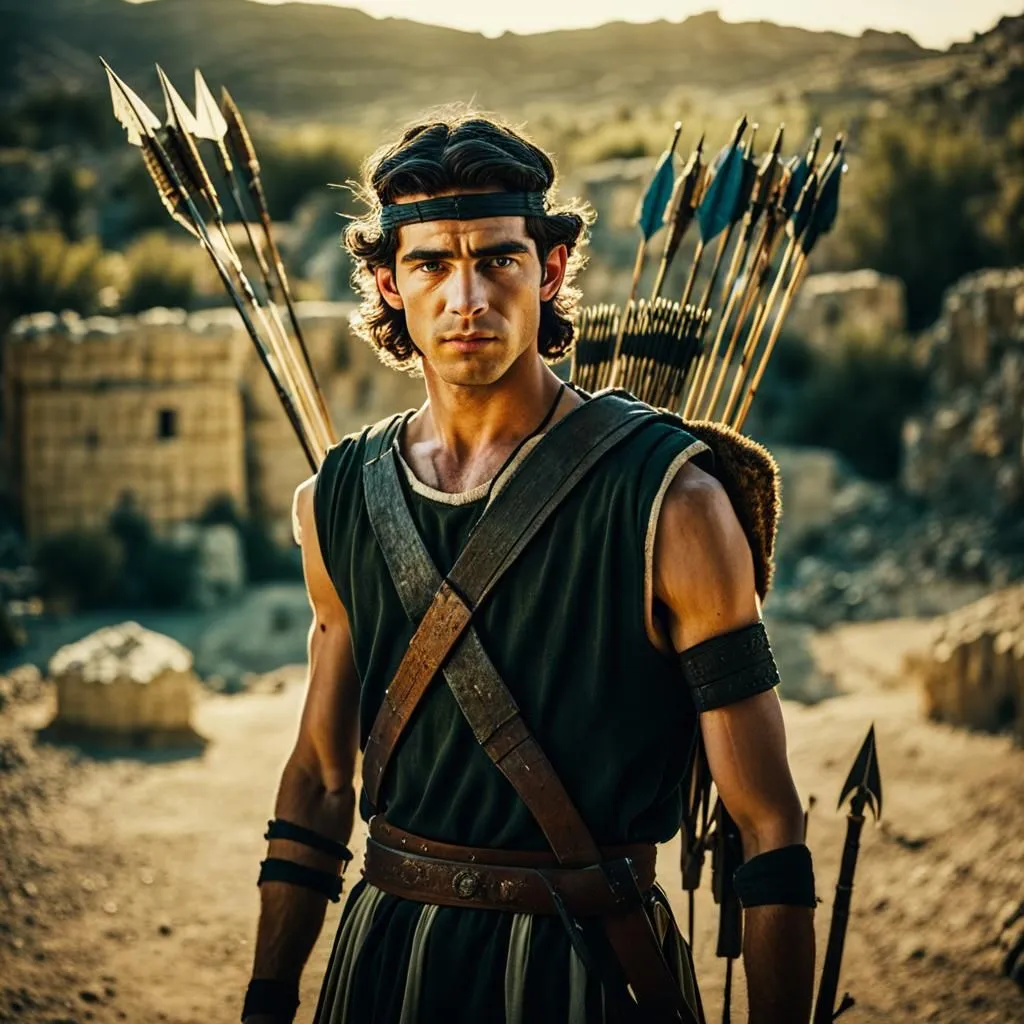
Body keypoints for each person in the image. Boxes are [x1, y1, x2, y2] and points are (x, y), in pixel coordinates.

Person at [241, 113, 815, 1024]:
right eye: (431, 264)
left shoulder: (674, 503)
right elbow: (317, 777)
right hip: (384, 963)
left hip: (587, 970)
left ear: (548, 271)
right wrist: (268, 998)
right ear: (388, 282)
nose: (466, 297)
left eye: (499, 260)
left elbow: (769, 823)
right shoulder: (337, 499)